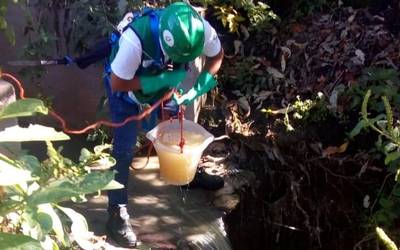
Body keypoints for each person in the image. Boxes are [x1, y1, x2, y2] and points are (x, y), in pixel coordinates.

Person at [103, 2, 224, 248]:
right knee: (124, 150)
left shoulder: (200, 30)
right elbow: (117, 83)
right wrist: (161, 79)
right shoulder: (135, 41)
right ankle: (116, 211)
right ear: (166, 43)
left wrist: (200, 86)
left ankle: (187, 173)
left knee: (179, 126)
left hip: (162, 87)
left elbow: (217, 56)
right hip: (126, 92)